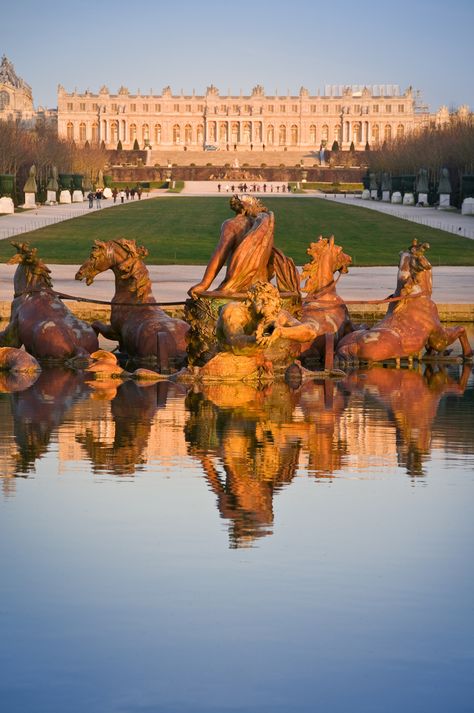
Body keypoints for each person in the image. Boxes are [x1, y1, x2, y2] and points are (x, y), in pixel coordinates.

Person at [187, 195, 273, 298]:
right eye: (255, 204)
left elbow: (220, 254)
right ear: (246, 207)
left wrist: (205, 284)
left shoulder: (232, 224)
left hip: (239, 288)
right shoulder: (264, 225)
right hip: (262, 288)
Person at [216, 281, 316, 356]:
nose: (266, 303)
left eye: (270, 300)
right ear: (251, 300)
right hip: (228, 359)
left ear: (277, 302)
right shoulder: (234, 310)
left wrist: (281, 332)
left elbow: (311, 332)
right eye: (261, 299)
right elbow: (234, 343)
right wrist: (254, 340)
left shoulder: (279, 315)